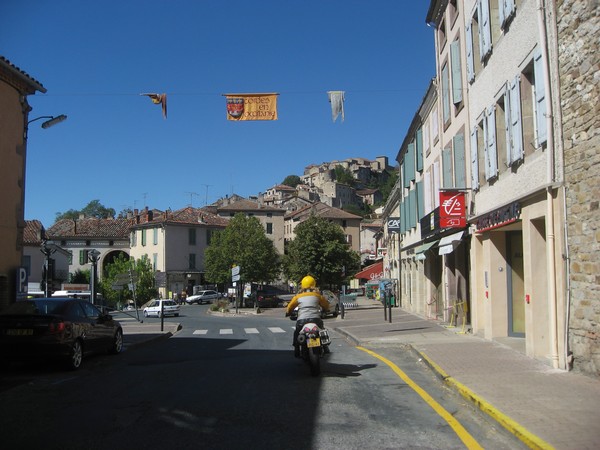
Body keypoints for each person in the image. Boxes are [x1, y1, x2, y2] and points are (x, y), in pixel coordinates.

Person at [286, 275, 330, 357]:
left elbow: (290, 306)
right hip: (316, 320)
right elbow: (326, 305)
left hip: (302, 321)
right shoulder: (317, 295)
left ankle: (296, 348)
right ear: (314, 284)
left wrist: (288, 312)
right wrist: (326, 309)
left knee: (297, 332)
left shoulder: (298, 296)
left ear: (302, 285)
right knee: (322, 329)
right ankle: (325, 346)